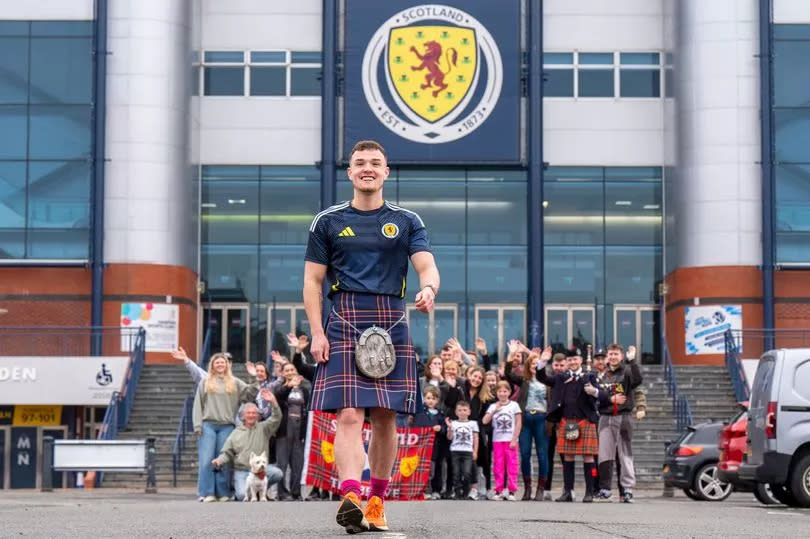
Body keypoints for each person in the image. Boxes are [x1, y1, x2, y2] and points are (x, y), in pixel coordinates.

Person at [303, 140, 439, 533]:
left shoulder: (407, 220)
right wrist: (316, 331)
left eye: (374, 163)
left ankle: (377, 501)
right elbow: (312, 282)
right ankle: (350, 495)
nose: (367, 168)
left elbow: (427, 267)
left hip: (390, 317)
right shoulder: (326, 221)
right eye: (359, 163)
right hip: (344, 316)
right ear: (349, 172)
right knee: (348, 413)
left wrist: (428, 289)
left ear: (386, 172)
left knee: (385, 416)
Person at [192, 353, 259, 502]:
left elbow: (249, 394)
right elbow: (198, 404)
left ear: (227, 364)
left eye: (223, 362)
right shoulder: (205, 382)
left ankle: (223, 492)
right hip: (208, 425)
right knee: (206, 459)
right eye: (217, 363)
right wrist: (197, 425)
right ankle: (207, 492)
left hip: (227, 426)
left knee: (224, 460)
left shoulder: (234, 382)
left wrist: (255, 378)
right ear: (212, 365)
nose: (220, 364)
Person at [536, 347, 600, 503]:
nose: (572, 362)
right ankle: (568, 492)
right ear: (566, 362)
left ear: (581, 361)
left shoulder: (590, 376)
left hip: (585, 420)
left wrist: (594, 391)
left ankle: (590, 492)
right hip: (568, 421)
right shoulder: (560, 378)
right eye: (569, 360)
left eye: (575, 359)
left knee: (588, 457)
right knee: (568, 457)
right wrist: (542, 361)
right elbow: (542, 378)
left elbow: (602, 395)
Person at [594, 344, 642, 503]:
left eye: (616, 354)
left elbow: (637, 381)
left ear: (621, 356)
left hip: (623, 417)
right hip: (605, 417)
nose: (613, 357)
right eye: (611, 354)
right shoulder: (602, 375)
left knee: (625, 454)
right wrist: (609, 399)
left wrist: (633, 361)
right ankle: (605, 490)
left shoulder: (627, 371)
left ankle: (627, 490)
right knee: (604, 455)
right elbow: (598, 396)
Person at [502, 342, 549, 501]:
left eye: (538, 364)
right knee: (525, 453)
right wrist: (511, 354)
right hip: (526, 419)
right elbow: (508, 374)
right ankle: (527, 488)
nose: (535, 366)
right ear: (528, 366)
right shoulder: (524, 380)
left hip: (542, 419)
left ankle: (541, 489)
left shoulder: (547, 380)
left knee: (542, 454)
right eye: (532, 364)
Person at [212, 401, 284, 501]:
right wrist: (219, 460)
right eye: (248, 413)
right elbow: (227, 453)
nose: (251, 415)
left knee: (277, 473)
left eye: (254, 413)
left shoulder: (264, 428)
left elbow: (277, 418)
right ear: (243, 416)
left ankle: (260, 491)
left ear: (258, 416)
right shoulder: (235, 433)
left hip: (261, 470)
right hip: (242, 471)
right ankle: (240, 490)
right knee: (242, 495)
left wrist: (273, 403)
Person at [273, 363, 311, 501]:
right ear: (283, 373)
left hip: (298, 428)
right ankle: (282, 493)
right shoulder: (279, 387)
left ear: (296, 371)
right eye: (287, 370)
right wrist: (289, 386)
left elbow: (307, 411)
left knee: (298, 463)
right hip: (284, 429)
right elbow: (278, 396)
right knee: (282, 463)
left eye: (292, 369)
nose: (289, 372)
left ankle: (296, 492)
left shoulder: (304, 390)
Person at [483, 381, 522, 501]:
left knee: (512, 465)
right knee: (498, 465)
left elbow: (518, 422)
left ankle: (511, 490)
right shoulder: (493, 406)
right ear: (496, 393)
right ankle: (498, 489)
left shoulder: (514, 405)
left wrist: (514, 439)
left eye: (505, 391)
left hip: (510, 439)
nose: (502, 394)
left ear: (509, 392)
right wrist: (495, 410)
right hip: (497, 440)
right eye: (500, 391)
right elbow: (484, 421)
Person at [461, 365, 494, 500]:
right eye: (475, 376)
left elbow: (486, 418)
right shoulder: (462, 390)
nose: (477, 379)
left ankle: (485, 488)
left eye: (480, 378)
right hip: (462, 430)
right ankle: (467, 488)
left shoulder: (486, 396)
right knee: (464, 461)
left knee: (482, 460)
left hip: (478, 431)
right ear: (469, 376)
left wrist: (479, 427)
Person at [411, 385, 446, 499]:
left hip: (437, 447)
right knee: (422, 469)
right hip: (422, 447)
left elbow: (445, 428)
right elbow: (416, 428)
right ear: (424, 399)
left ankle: (435, 490)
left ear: (438, 400)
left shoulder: (440, 413)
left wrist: (440, 428)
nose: (431, 401)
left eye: (434, 398)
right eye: (429, 398)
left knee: (435, 469)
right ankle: (423, 490)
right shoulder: (420, 413)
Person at [543, 352, 569, 500]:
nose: (558, 367)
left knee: (565, 457)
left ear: (566, 365)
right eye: (556, 365)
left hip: (565, 423)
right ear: (552, 365)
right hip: (549, 423)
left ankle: (567, 487)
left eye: (561, 365)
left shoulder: (569, 379)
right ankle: (547, 489)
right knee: (548, 457)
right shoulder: (548, 379)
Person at [447, 401, 479, 499]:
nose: (462, 412)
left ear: (469, 412)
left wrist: (475, 451)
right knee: (456, 473)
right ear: (456, 412)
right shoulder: (454, 423)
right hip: (455, 451)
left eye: (465, 410)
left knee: (467, 472)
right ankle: (457, 492)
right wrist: (449, 428)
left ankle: (466, 491)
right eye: (459, 410)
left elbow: (476, 438)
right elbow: (449, 438)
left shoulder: (473, 423)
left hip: (468, 451)